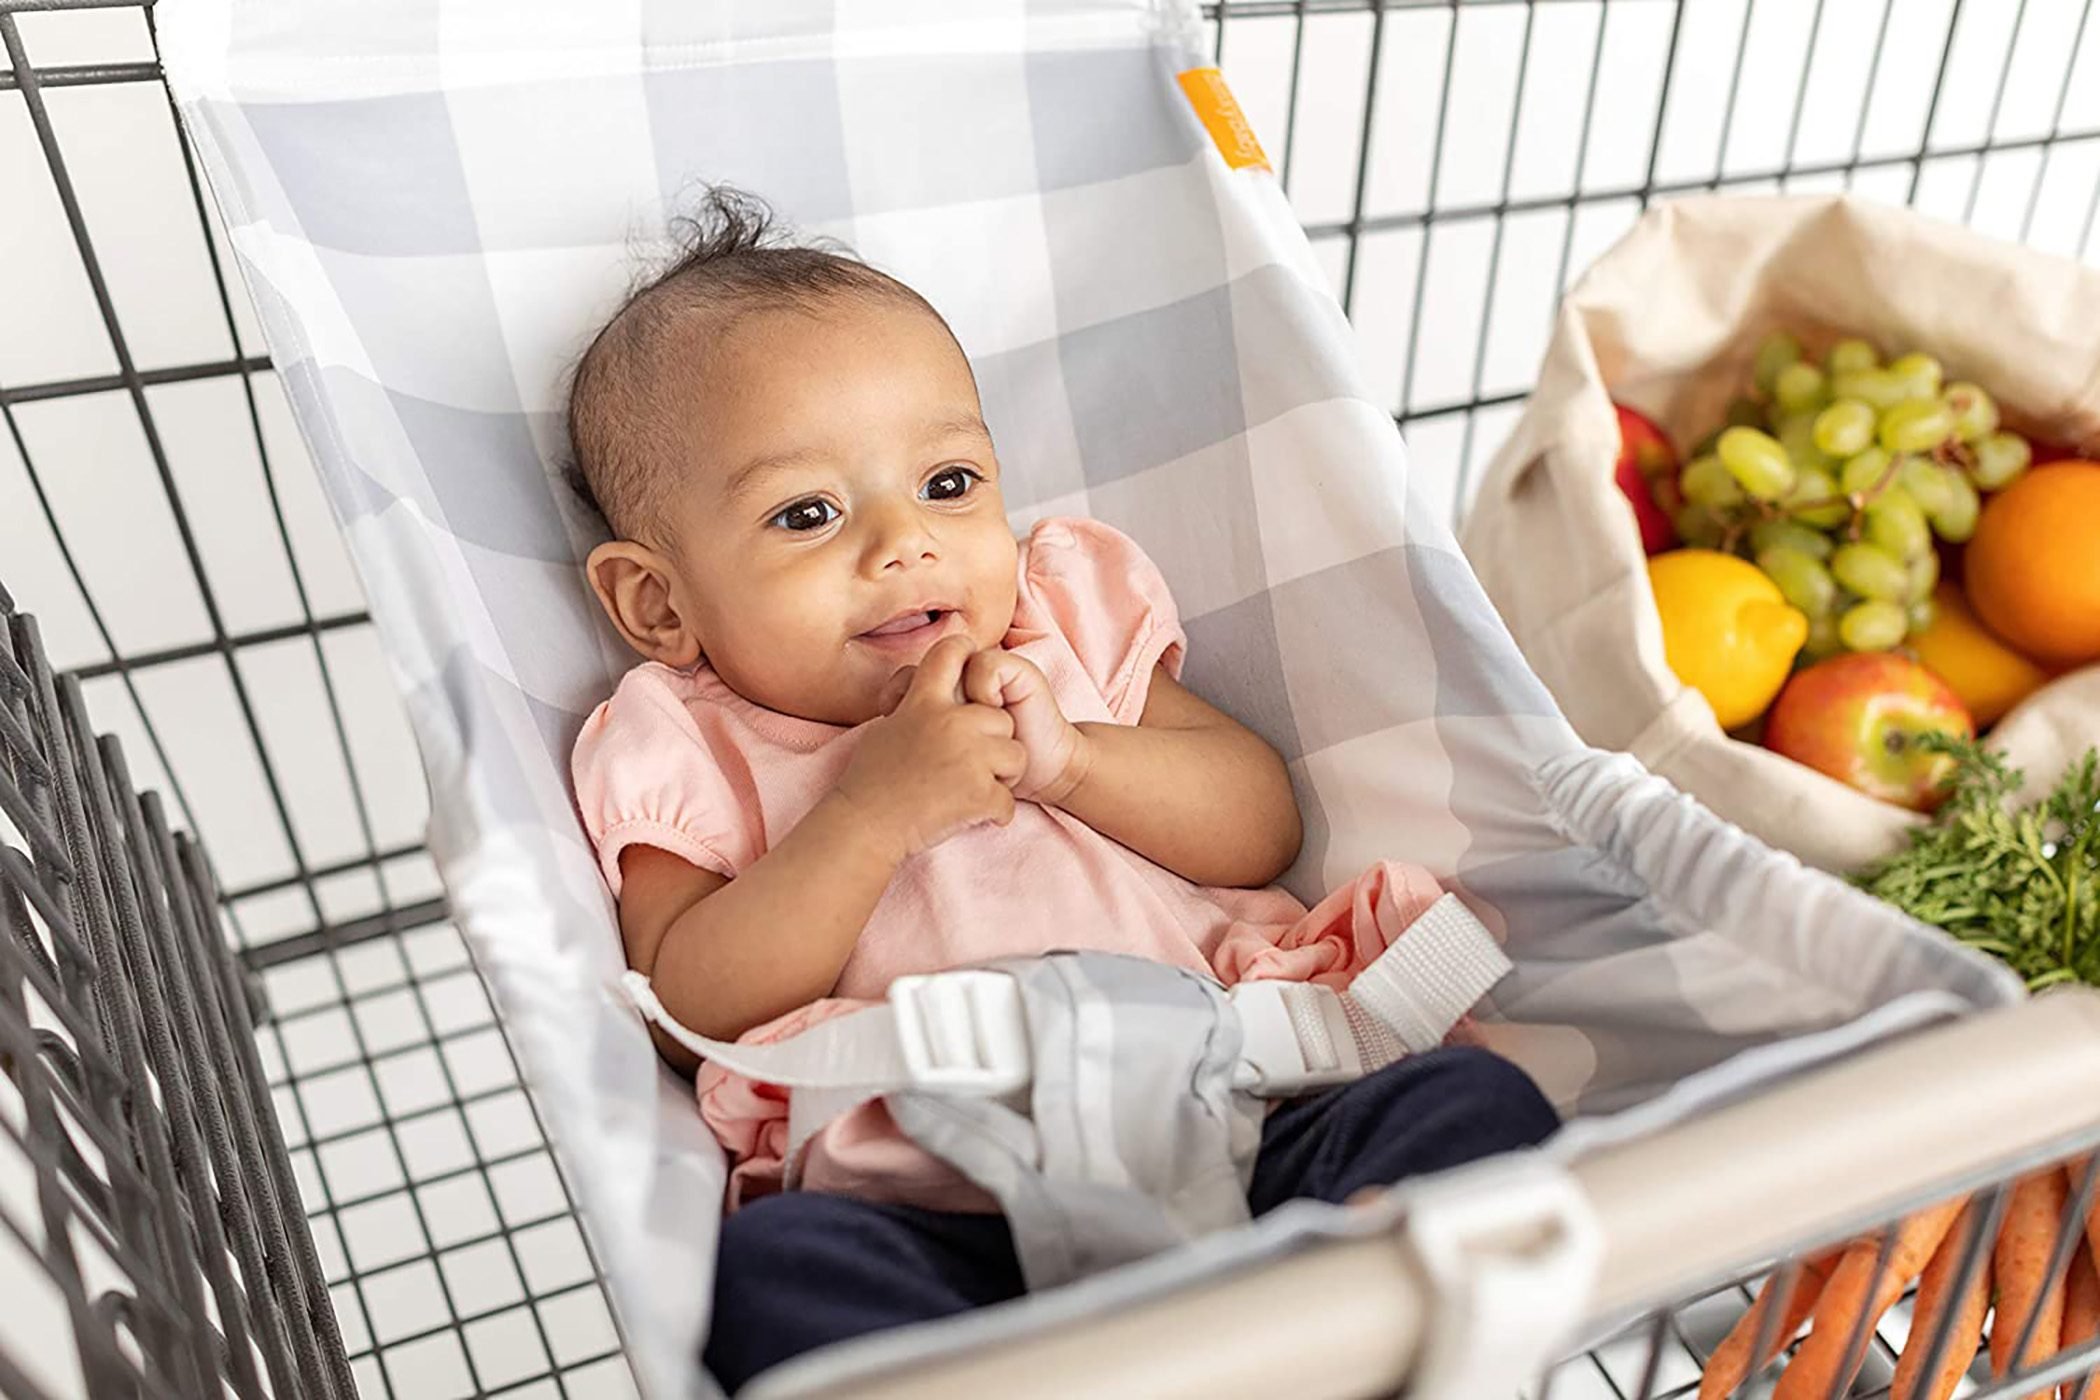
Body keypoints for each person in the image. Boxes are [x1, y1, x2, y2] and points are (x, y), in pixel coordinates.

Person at [565, 185, 1556, 1391]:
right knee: (777, 1277)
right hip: (933, 1180)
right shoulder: (681, 740)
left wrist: (1076, 758)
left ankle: (1332, 1348)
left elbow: (1258, 822)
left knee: (1472, 1112)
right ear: (659, 602)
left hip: (1243, 1096)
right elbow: (694, 1001)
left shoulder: (1059, 625)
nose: (905, 545)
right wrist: (867, 816)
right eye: (808, 512)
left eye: (947, 484)